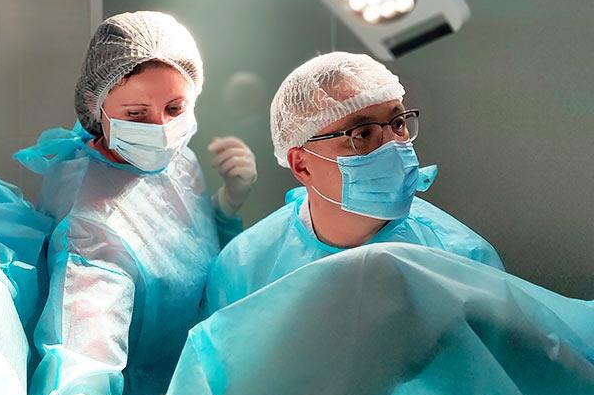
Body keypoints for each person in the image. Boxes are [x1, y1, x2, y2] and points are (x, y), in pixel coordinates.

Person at [14, 11, 257, 395]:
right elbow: (80, 378)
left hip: (195, 383)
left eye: (175, 108)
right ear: (97, 107)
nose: (161, 130)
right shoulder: (92, 226)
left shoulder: (172, 159)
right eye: (136, 114)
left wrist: (225, 207)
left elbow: (191, 251)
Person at [204, 51, 503, 314]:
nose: (394, 145)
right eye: (362, 134)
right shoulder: (245, 266)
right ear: (302, 165)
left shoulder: (461, 259)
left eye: (398, 123)